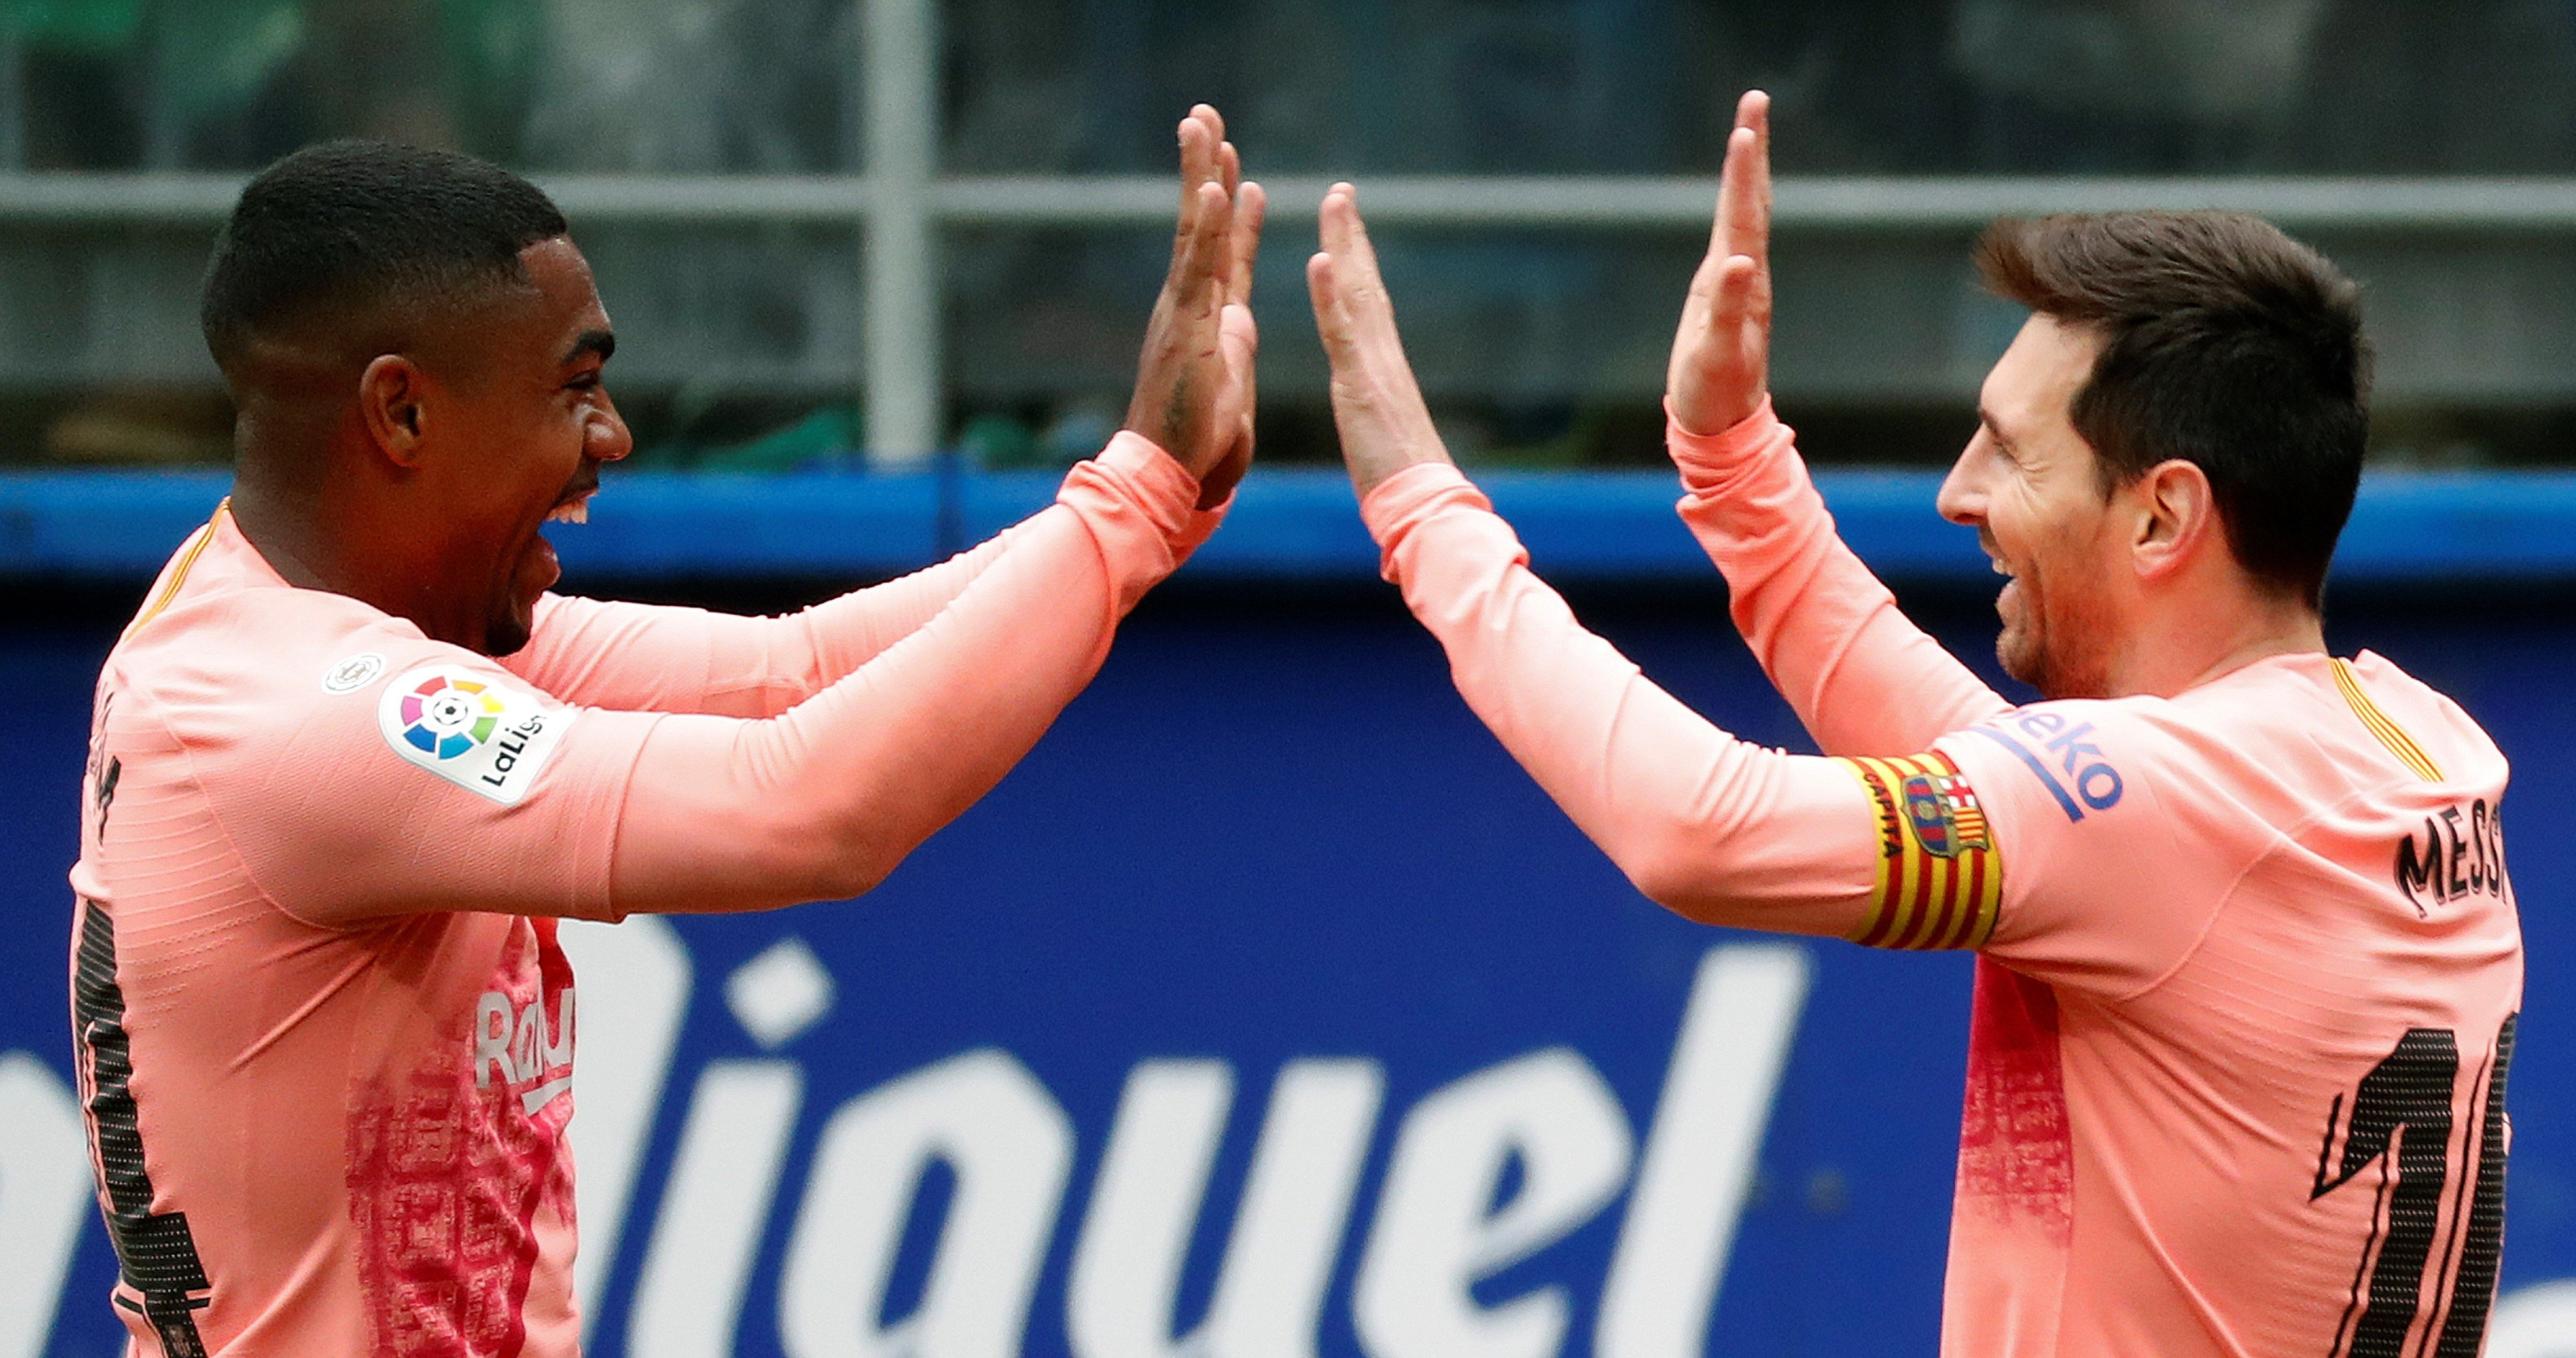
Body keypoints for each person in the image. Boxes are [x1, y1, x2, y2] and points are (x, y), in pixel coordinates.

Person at [1307, 91, 2521, 1357]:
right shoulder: (2406, 747)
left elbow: (1695, 828)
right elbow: (2035, 790)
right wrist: (1730, 461)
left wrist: (1421, 512)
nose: (1956, 493)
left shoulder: (2159, 808)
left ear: (2161, 515)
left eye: (2008, 450)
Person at [67, 109, 1262, 1355]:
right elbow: (808, 807)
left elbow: (783, 676)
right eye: (574, 389)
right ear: (402, 415)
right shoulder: (309, 718)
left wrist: (1154, 508)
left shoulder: (325, 628)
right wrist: (1127, 502)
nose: (613, 437)